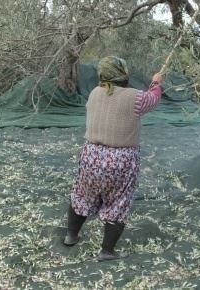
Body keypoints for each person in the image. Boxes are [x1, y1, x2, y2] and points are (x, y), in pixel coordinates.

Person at [64, 56, 163, 261]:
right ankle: (107, 252)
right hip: (121, 161)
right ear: (124, 73)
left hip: (91, 156)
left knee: (82, 195)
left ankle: (71, 236)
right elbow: (153, 98)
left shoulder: (93, 93)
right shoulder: (136, 97)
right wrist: (156, 82)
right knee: (118, 203)